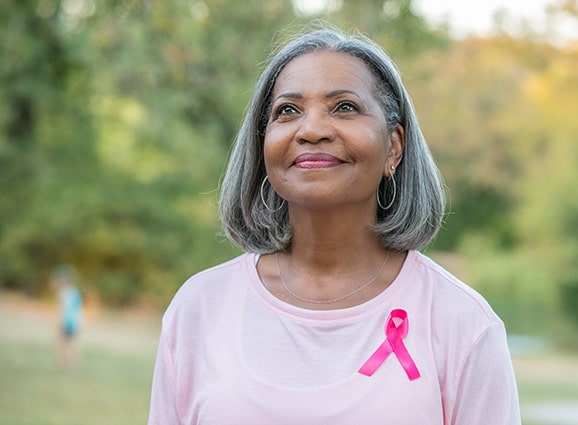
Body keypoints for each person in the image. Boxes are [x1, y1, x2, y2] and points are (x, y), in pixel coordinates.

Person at [148, 25, 521, 425]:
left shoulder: (461, 322)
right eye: (287, 111)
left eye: (344, 107)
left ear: (393, 147)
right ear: (263, 144)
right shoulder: (200, 309)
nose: (311, 130)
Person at [50, 264, 82, 368]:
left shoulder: (64, 293)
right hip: (75, 322)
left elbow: (63, 309)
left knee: (64, 343)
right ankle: (70, 364)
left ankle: (65, 364)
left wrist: (60, 321)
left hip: (67, 322)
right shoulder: (75, 292)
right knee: (71, 344)